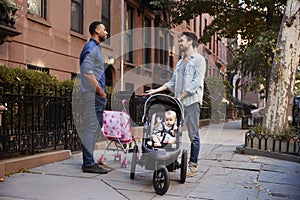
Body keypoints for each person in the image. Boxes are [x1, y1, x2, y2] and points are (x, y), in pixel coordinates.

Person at [147, 32, 206, 177]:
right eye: (179, 41)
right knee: (172, 131)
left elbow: (196, 84)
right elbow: (172, 83)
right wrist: (155, 90)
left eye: (181, 41)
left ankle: (193, 165)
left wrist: (181, 96)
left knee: (193, 135)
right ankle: (170, 159)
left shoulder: (199, 60)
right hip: (178, 103)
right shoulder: (180, 62)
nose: (179, 43)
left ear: (190, 42)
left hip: (191, 102)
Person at [79, 21, 109, 174]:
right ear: (97, 30)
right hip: (93, 95)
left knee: (93, 128)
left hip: (94, 95)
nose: (107, 32)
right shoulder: (91, 48)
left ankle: (89, 161)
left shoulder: (95, 48)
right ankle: (88, 163)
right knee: (91, 128)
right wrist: (101, 92)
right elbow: (87, 72)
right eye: (104, 30)